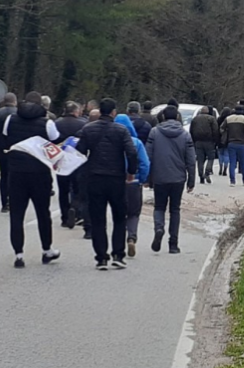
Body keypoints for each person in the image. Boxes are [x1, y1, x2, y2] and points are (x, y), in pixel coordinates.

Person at [76, 98, 138, 270]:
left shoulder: (88, 129)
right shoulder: (121, 130)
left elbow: (79, 151)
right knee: (119, 217)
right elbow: (131, 152)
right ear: (113, 113)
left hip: (95, 177)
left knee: (98, 219)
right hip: (116, 178)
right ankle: (118, 254)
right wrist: (131, 172)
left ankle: (101, 257)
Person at [2, 91, 61, 268]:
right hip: (39, 173)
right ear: (42, 106)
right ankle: (46, 250)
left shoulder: (10, 120)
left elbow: (5, 139)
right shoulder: (47, 123)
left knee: (17, 215)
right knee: (43, 213)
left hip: (16, 172)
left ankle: (19, 254)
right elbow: (56, 140)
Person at [146, 105, 195, 253]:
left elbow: (148, 156)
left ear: (163, 117)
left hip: (160, 177)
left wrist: (148, 177)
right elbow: (191, 160)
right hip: (178, 178)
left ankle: (159, 227)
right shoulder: (185, 135)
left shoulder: (154, 132)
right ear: (178, 117)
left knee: (159, 207)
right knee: (175, 210)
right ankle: (173, 244)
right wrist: (191, 180)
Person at [114, 114, 150, 258]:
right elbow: (145, 163)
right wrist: (141, 179)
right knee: (133, 213)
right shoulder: (136, 142)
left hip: (115, 182)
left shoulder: (112, 141)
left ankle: (119, 243)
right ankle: (132, 237)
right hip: (133, 182)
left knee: (119, 213)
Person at [55, 101, 86, 228]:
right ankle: (76, 211)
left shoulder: (56, 123)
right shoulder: (83, 124)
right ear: (75, 112)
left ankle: (64, 217)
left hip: (61, 160)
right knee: (77, 188)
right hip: (77, 161)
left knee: (63, 190)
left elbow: (51, 140)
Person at [220, 104, 244, 186]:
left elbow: (221, 129)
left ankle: (232, 181)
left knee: (232, 162)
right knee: (243, 162)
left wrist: (226, 134)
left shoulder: (228, 119)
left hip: (231, 143)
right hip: (242, 143)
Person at [190, 106, 219, 184]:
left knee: (200, 160)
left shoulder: (195, 119)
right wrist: (215, 141)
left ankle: (201, 176)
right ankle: (207, 172)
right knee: (210, 158)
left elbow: (191, 130)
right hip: (209, 141)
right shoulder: (212, 119)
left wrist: (193, 141)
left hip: (198, 142)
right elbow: (215, 131)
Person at [217, 107, 231, 176]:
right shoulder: (230, 120)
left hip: (220, 138)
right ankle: (225, 168)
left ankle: (220, 167)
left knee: (220, 153)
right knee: (226, 154)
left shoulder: (219, 119)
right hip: (228, 139)